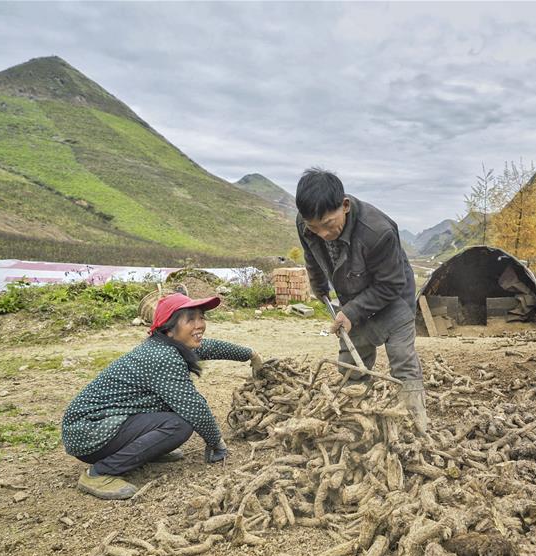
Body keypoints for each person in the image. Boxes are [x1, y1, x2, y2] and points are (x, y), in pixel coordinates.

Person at [61, 293, 262, 500]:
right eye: (190, 319)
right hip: (88, 432)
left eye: (201, 317)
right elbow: (194, 408)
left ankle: (149, 450)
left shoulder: (169, 344)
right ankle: (98, 473)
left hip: (103, 424)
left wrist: (251, 355)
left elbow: (212, 347)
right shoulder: (162, 356)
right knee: (180, 424)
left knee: (174, 410)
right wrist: (216, 443)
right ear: (169, 328)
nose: (199, 325)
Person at [294, 167, 428, 433]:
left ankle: (416, 425)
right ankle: (354, 421)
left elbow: (390, 284)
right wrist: (320, 289)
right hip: (353, 295)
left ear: (344, 206)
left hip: (393, 298)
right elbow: (312, 256)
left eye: (328, 224)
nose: (322, 233)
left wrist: (351, 312)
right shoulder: (305, 223)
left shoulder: (377, 231)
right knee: (351, 361)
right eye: (314, 227)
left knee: (402, 359)